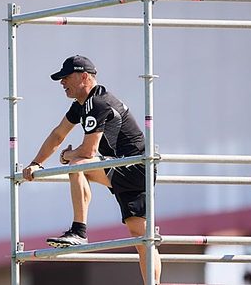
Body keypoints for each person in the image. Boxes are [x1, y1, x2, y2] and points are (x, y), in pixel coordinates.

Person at [22, 55, 162, 285]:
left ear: (84, 76)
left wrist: (67, 155)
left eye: (66, 77)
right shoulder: (82, 105)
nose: (62, 82)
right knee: (141, 235)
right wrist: (36, 162)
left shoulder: (96, 103)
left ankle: (79, 230)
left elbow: (88, 152)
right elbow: (59, 134)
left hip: (132, 166)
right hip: (134, 167)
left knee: (78, 165)